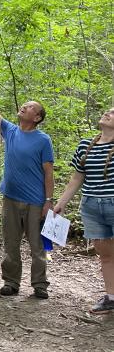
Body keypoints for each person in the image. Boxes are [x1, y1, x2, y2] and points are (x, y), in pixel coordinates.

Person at [0, 90, 54, 299]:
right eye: (25, 103)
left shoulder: (43, 140)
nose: (24, 106)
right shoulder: (10, 131)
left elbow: (48, 172)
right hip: (11, 198)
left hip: (35, 201)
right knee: (11, 243)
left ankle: (40, 284)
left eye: (31, 106)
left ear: (37, 117)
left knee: (37, 246)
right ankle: (11, 282)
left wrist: (48, 201)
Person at [54, 107, 114, 314]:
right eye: (108, 111)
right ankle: (111, 297)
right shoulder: (85, 145)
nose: (108, 113)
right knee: (104, 253)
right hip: (90, 206)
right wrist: (61, 203)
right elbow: (77, 178)